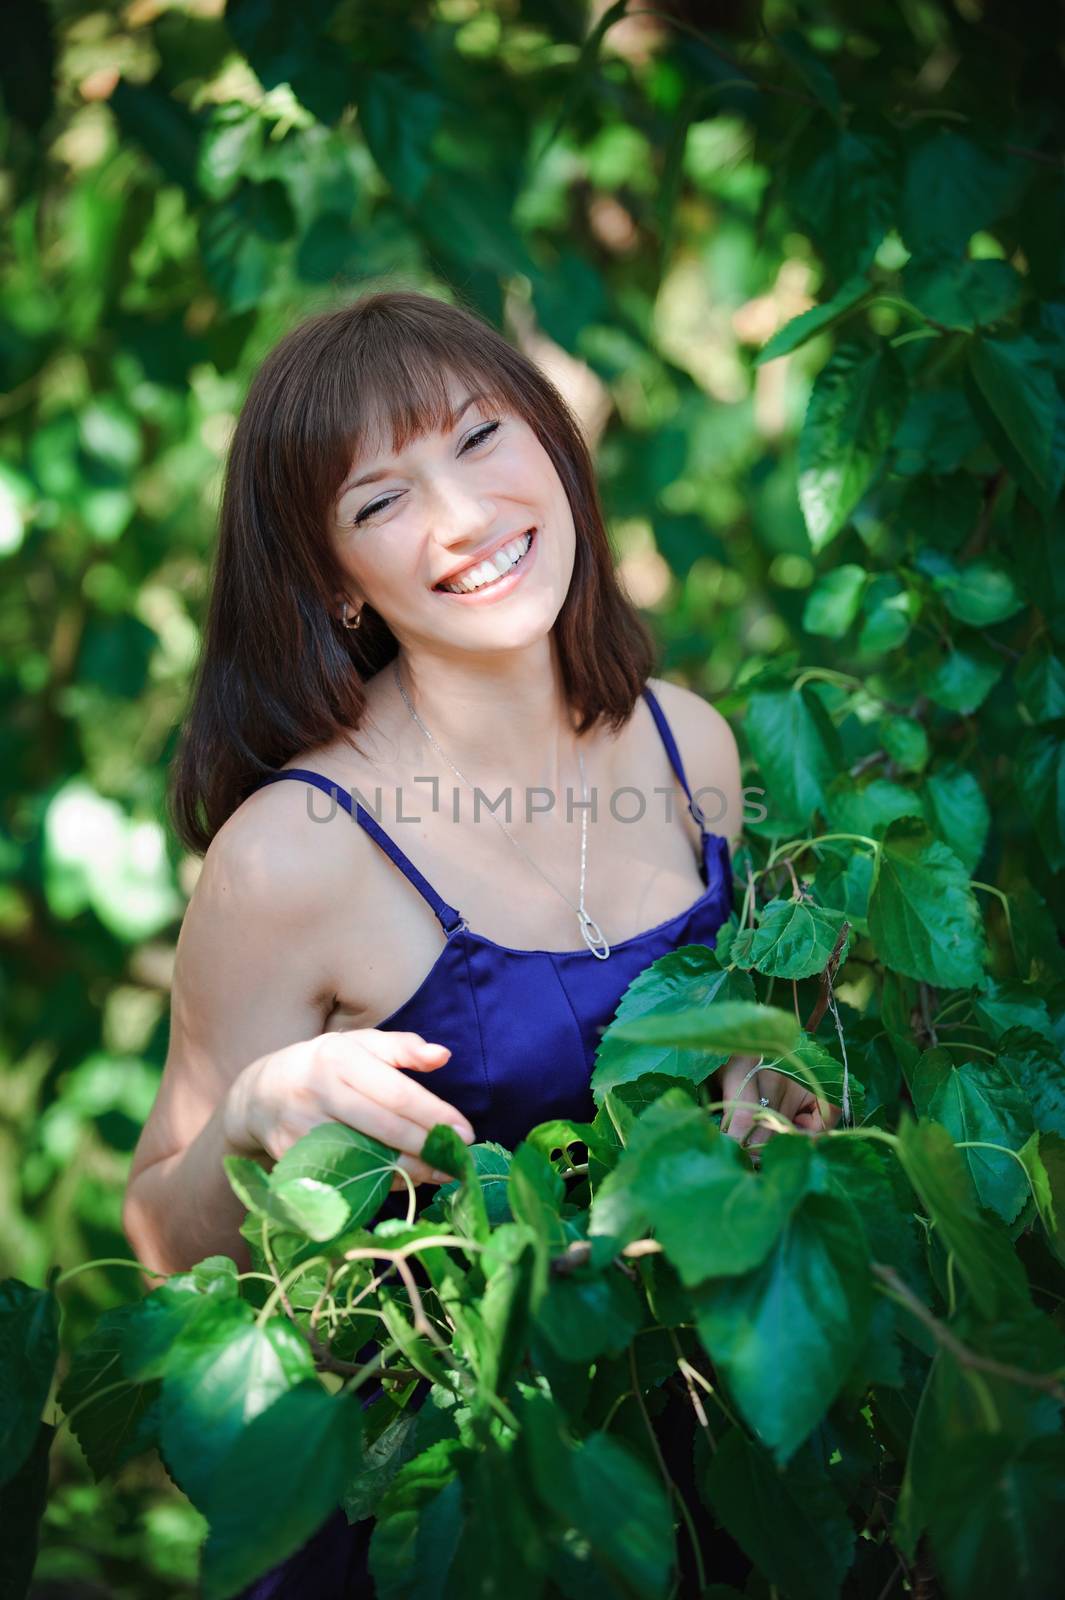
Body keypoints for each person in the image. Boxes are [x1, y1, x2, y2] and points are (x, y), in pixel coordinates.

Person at [122, 288, 838, 1596]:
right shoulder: (294, 854)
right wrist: (250, 1116)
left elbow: (758, 1046)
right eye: (380, 501)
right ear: (336, 582)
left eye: (477, 436)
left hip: (719, 1472)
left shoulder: (691, 746)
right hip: (448, 1509)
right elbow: (163, 1242)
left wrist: (770, 1076)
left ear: (555, 448)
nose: (459, 513)